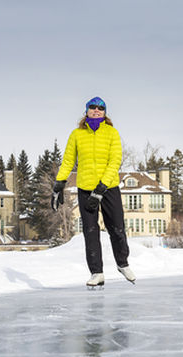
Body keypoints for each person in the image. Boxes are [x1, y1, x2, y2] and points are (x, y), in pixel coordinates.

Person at [51, 96, 135, 288]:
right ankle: (96, 272)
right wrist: (59, 183)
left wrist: (102, 187)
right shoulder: (77, 134)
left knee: (117, 228)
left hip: (109, 188)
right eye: (93, 107)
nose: (96, 110)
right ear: (86, 110)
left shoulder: (112, 133)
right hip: (85, 188)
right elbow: (68, 161)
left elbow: (115, 161)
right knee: (90, 231)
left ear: (105, 112)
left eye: (101, 108)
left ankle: (122, 263)